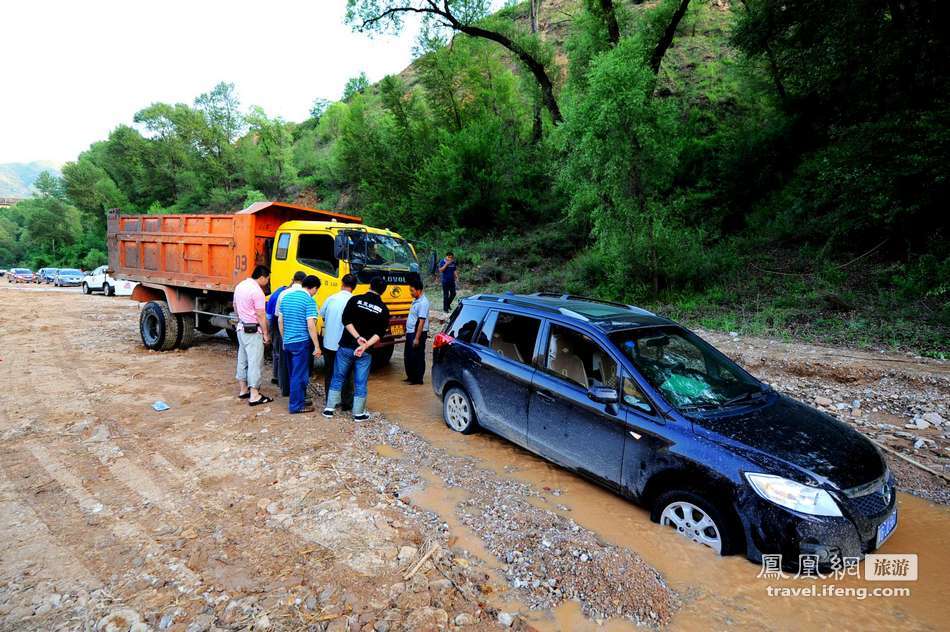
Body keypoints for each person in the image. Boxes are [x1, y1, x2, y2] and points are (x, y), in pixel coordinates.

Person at [323, 276, 390, 422]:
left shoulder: (355, 300)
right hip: (365, 352)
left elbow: (346, 320)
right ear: (383, 291)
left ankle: (329, 409)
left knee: (338, 376)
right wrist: (364, 345)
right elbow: (379, 334)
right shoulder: (384, 309)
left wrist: (357, 337)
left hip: (346, 346)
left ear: (370, 285)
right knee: (360, 382)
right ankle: (358, 414)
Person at [278, 275, 323, 414]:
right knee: (299, 375)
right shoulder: (309, 300)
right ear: (314, 288)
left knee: (294, 374)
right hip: (301, 342)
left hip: (288, 342)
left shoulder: (285, 297)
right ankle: (296, 406)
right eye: (316, 290)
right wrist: (317, 346)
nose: (315, 292)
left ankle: (299, 399)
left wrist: (284, 339)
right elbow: (311, 325)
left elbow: (280, 321)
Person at [234, 264, 272, 406]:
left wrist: (241, 320)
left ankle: (243, 390)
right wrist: (266, 334)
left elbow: (235, 306)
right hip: (253, 330)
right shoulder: (257, 292)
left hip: (241, 328)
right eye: (268, 278)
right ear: (262, 277)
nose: (268, 281)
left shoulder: (240, 286)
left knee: (242, 359)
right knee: (255, 362)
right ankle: (255, 395)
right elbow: (261, 315)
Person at [319, 273, 356, 410]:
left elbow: (321, 315)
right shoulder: (355, 301)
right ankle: (347, 403)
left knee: (329, 372)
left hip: (329, 343)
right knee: (347, 373)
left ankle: (330, 401)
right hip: (346, 345)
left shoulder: (331, 299)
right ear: (354, 287)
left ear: (342, 284)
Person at [266, 271, 306, 387]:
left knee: (277, 353)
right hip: (281, 326)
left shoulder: (279, 292)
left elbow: (270, 314)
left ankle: (276, 377)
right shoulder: (291, 294)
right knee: (282, 355)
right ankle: (282, 381)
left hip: (277, 325)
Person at [403, 277, 429, 385]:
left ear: (419, 290)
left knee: (417, 356)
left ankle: (417, 379)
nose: (411, 293)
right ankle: (410, 376)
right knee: (408, 355)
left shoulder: (423, 303)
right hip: (411, 332)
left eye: (412, 291)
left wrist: (417, 338)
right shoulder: (416, 300)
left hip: (417, 333)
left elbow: (421, 321)